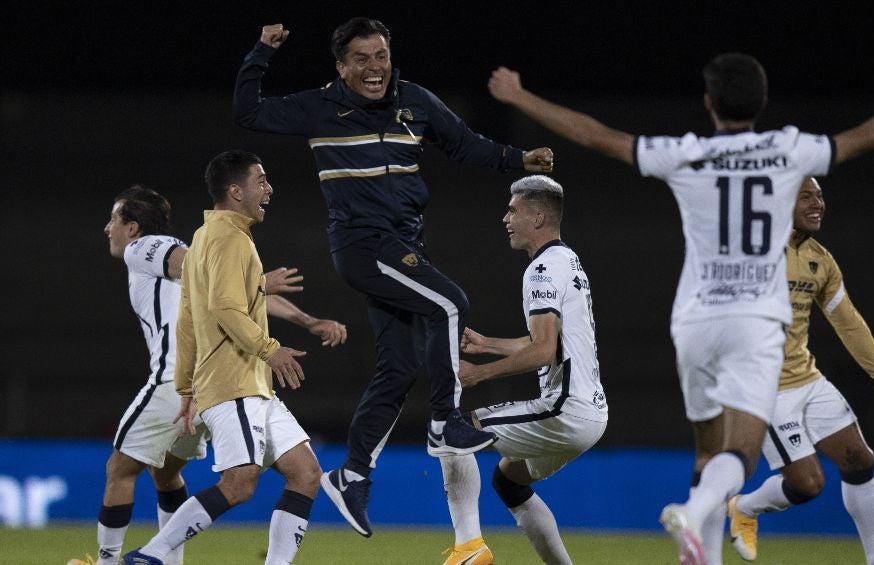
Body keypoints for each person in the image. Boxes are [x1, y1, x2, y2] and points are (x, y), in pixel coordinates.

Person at [486, 55, 874, 565]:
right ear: (761, 102)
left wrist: (520, 96)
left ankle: (703, 549)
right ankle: (694, 512)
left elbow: (598, 136)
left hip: (695, 321)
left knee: (706, 449)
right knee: (739, 452)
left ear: (709, 103)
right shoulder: (786, 149)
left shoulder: (687, 153)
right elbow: (870, 134)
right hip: (755, 323)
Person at [232, 17, 556, 537]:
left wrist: (518, 159)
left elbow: (464, 143)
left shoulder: (416, 102)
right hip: (364, 244)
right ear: (341, 67)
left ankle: (353, 475)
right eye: (361, 58)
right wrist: (261, 53)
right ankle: (445, 421)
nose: (374, 67)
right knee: (450, 303)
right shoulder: (320, 106)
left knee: (399, 367)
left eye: (380, 55)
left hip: (403, 246)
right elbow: (247, 112)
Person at [69, 186, 346, 565]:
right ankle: (166, 560)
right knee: (168, 475)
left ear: (133, 228)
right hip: (223, 380)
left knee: (121, 469)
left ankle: (111, 561)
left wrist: (258, 282)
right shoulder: (211, 252)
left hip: (178, 381)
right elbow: (237, 293)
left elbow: (206, 275)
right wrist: (307, 319)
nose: (107, 229)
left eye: (114, 220)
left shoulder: (146, 247)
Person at [122, 150, 329, 565]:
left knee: (306, 473)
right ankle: (152, 555)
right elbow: (224, 309)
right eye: (262, 181)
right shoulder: (230, 240)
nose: (269, 189)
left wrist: (185, 386)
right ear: (236, 191)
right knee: (239, 484)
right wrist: (271, 350)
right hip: (235, 382)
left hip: (248, 384)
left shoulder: (205, 237)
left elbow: (187, 318)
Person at [725, 177, 874, 565]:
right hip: (767, 391)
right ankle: (744, 507)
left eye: (821, 195)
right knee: (809, 485)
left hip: (808, 380)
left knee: (859, 459)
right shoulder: (753, 251)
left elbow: (848, 322)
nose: (818, 203)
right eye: (806, 196)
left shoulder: (819, 259)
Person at [438, 175, 607, 565]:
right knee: (509, 482)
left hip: (567, 409)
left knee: (453, 431)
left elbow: (544, 352)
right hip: (590, 411)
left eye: (513, 210)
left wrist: (480, 373)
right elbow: (550, 342)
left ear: (538, 217)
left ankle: (469, 549)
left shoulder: (542, 271)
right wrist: (488, 345)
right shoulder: (568, 260)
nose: (505, 218)